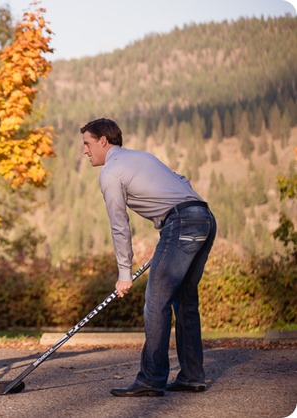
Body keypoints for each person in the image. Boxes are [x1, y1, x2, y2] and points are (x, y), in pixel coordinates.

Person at [80, 118, 217, 397]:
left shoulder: (110, 172)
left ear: (103, 141)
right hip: (204, 217)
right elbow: (180, 181)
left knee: (156, 302)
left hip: (180, 224)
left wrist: (124, 273)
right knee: (185, 301)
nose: (85, 151)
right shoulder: (142, 157)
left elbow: (119, 225)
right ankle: (192, 376)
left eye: (87, 143)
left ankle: (151, 380)